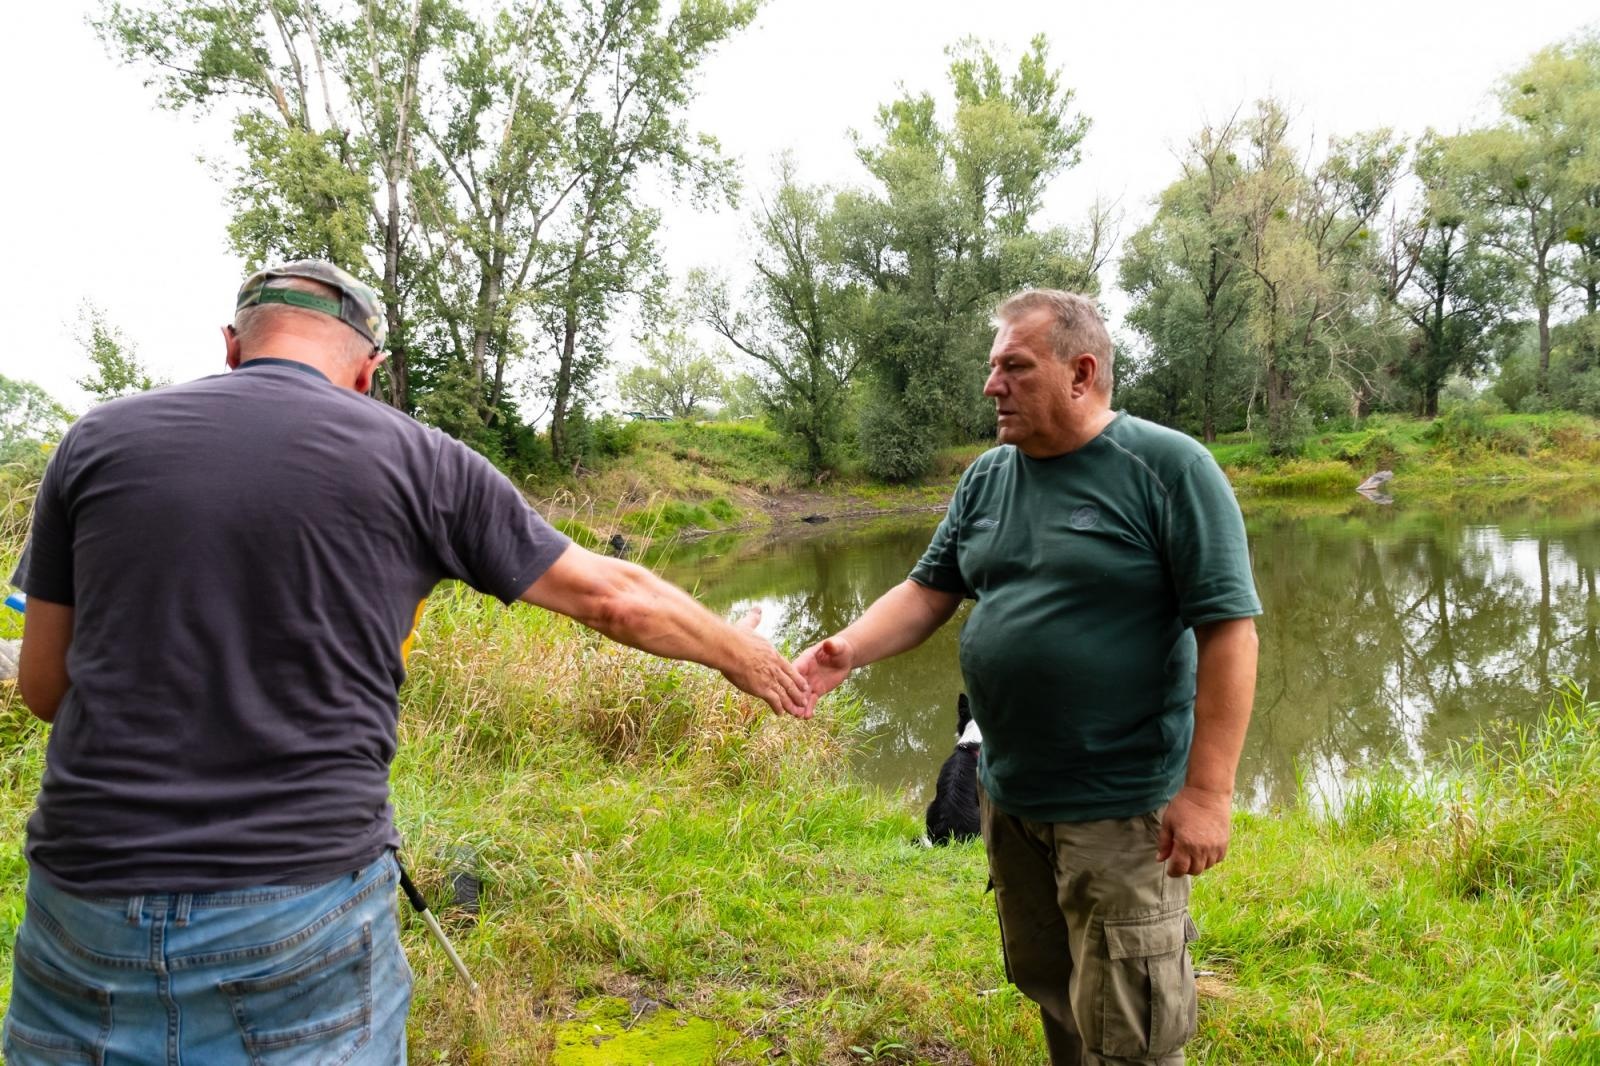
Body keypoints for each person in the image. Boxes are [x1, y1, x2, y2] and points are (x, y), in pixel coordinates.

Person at [4, 260, 809, 1065]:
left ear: (231, 345)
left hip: (82, 904)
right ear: (368, 369)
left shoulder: (95, 441)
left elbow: (44, 687)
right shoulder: (422, 461)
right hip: (299, 904)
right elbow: (613, 598)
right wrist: (742, 651)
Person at [794, 290, 1260, 1065]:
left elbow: (1229, 633)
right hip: (1012, 799)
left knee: (1134, 1026)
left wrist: (1208, 793)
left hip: (1118, 804)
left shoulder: (1170, 469)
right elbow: (927, 591)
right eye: (992, 367)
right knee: (1056, 989)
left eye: (1014, 366)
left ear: (1081, 374)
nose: (991, 387)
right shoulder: (988, 479)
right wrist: (845, 651)